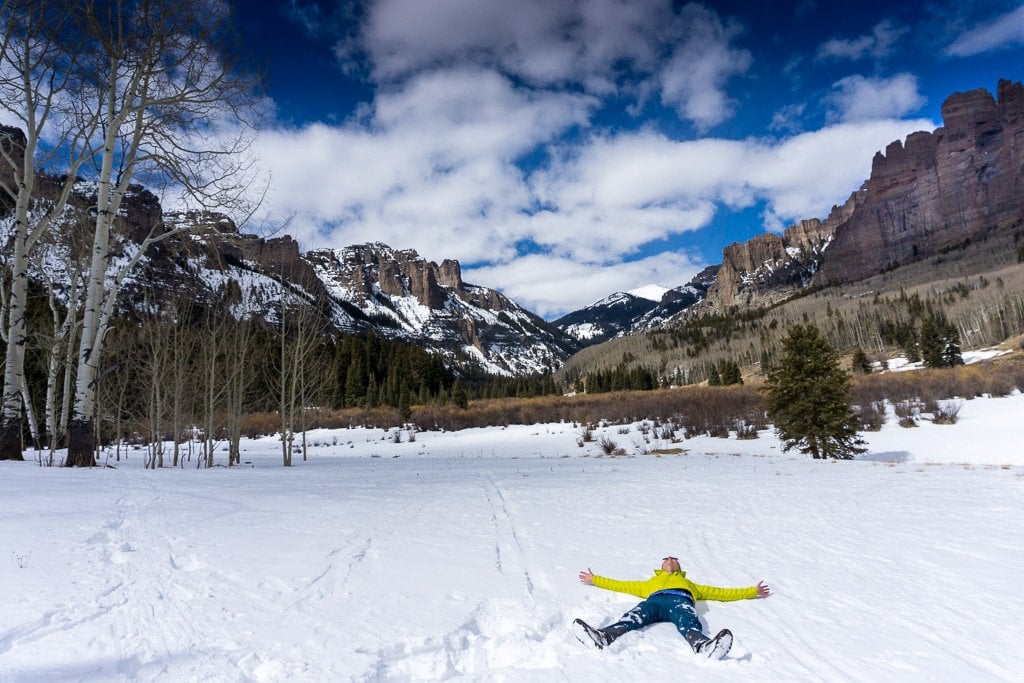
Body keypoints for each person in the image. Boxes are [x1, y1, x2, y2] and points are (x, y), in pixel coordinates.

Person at [573, 555, 770, 659]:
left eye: (673, 559)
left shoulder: (690, 585)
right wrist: (595, 579)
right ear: (661, 566)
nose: (669, 560)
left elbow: (722, 593)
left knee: (689, 622)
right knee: (633, 617)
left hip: (680, 602)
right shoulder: (650, 582)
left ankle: (703, 647)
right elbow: (622, 584)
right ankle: (603, 637)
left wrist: (752, 591)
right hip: (654, 602)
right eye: (666, 559)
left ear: (678, 567)